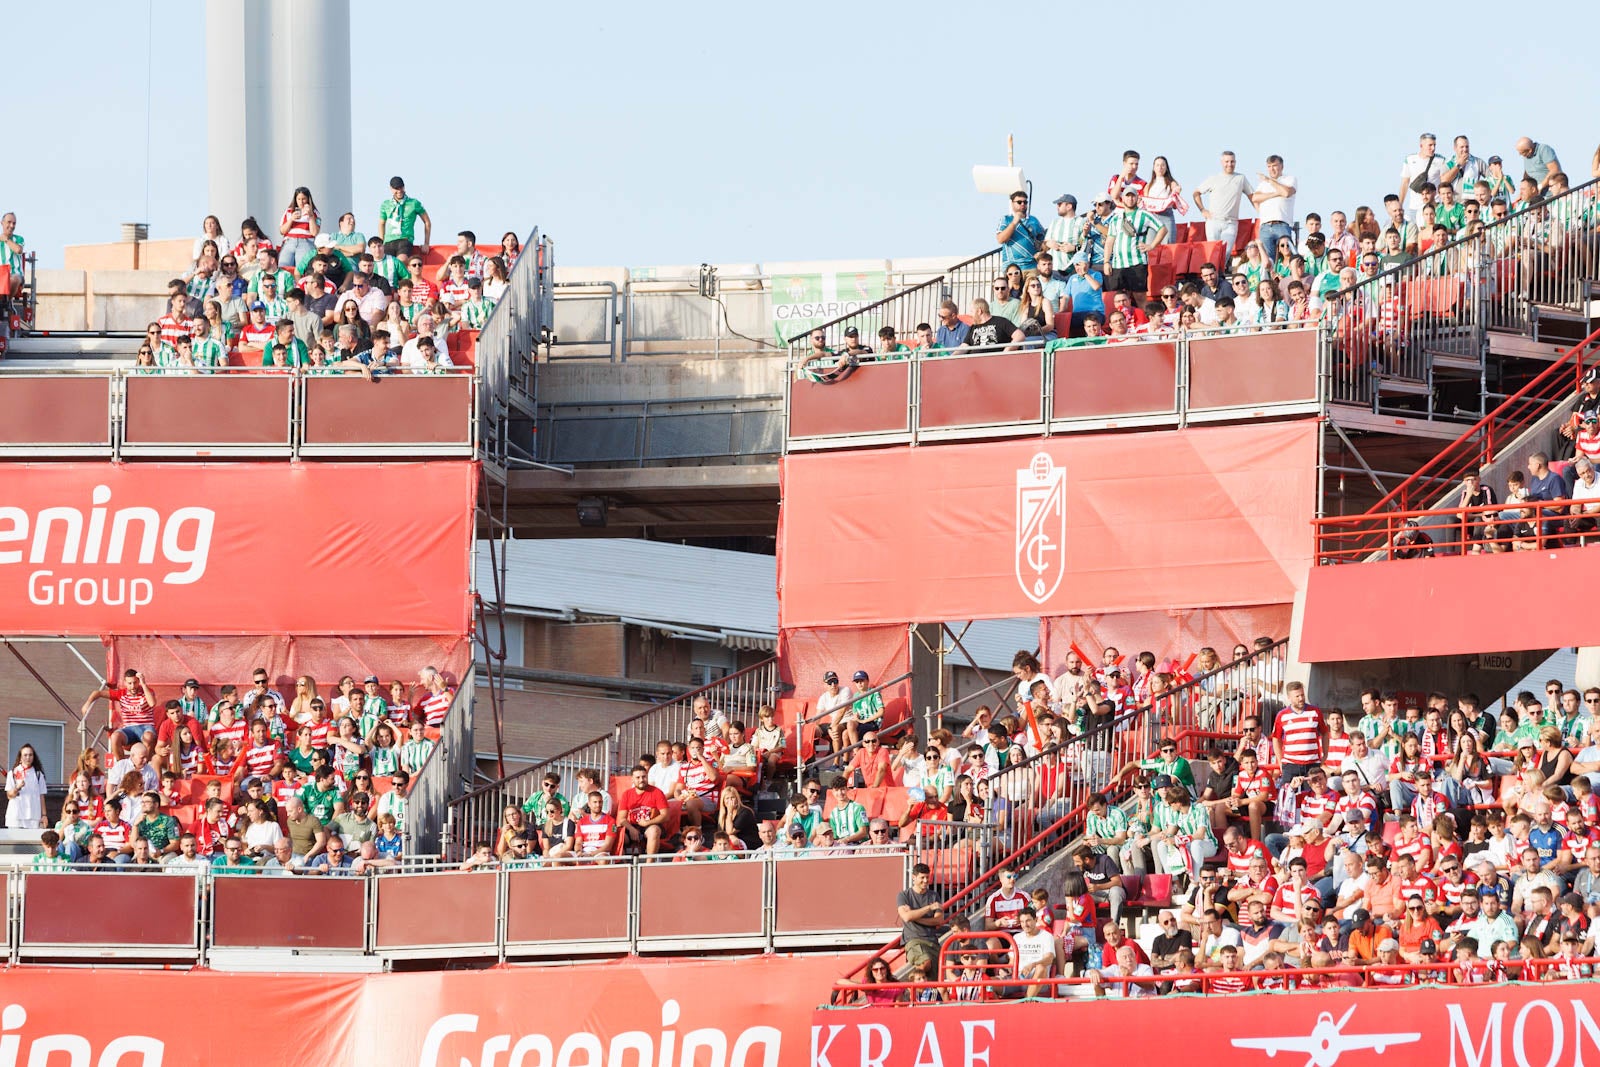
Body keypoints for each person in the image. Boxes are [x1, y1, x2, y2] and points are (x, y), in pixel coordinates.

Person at [1193, 150, 1253, 250]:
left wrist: (1261, 212)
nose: (1229, 164)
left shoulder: (1241, 178)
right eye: (1227, 161)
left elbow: (1252, 196)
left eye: (1232, 161)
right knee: (1213, 251)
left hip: (1231, 223)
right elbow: (1196, 193)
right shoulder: (1214, 178)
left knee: (1226, 252)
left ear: (1235, 162)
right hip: (1213, 221)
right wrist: (1202, 210)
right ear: (1222, 162)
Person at [897, 862, 948, 972]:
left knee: (935, 977)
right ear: (914, 877)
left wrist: (914, 916)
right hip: (913, 940)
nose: (925, 881)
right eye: (922, 877)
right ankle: (915, 980)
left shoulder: (934, 895)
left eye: (927, 877)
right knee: (925, 963)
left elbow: (938, 920)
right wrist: (929, 908)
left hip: (932, 941)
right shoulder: (903, 895)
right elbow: (906, 917)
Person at [1250, 155, 1298, 264]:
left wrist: (1270, 180)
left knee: (1287, 255)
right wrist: (1275, 194)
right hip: (1265, 226)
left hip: (1282, 224)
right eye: (1269, 166)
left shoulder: (1289, 179)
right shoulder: (1263, 184)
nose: (1272, 169)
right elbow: (1255, 198)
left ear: (1281, 166)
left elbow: (1286, 193)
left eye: (1274, 165)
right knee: (1267, 260)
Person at [377, 176, 430, 256]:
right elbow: (381, 223)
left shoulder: (414, 203)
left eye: (401, 187)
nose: (399, 191)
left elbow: (427, 221)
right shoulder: (385, 204)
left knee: (402, 260)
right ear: (391, 189)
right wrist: (381, 244)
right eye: (396, 188)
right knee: (388, 262)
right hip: (388, 241)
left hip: (405, 240)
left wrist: (426, 243)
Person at [996, 191, 1045, 270]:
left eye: (1025, 202)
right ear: (1012, 203)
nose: (1022, 204)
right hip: (1012, 267)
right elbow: (1000, 239)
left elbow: (1044, 240)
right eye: (1019, 202)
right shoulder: (1006, 219)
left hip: (1032, 266)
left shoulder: (1034, 220)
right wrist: (1014, 223)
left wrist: (1041, 253)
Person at [5, 744, 46, 830]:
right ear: (20, 757)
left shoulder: (38, 774)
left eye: (30, 755)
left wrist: (44, 815)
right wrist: (17, 787)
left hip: (33, 817)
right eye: (25, 755)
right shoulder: (12, 773)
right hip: (15, 817)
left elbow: (41, 796)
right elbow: (9, 795)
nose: (28, 757)